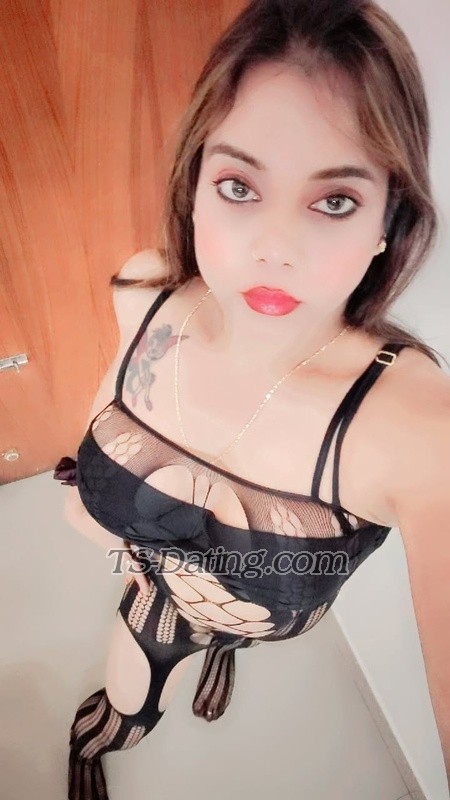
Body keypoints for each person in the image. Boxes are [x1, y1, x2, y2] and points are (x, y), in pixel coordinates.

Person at [54, 0, 450, 796]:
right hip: (154, 598)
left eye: (334, 201)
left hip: (257, 621)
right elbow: (99, 437)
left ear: (387, 221)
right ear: (194, 187)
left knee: (234, 632)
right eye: (239, 185)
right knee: (126, 709)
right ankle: (93, 747)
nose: (276, 248)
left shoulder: (414, 427)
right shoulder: (144, 295)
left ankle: (224, 650)